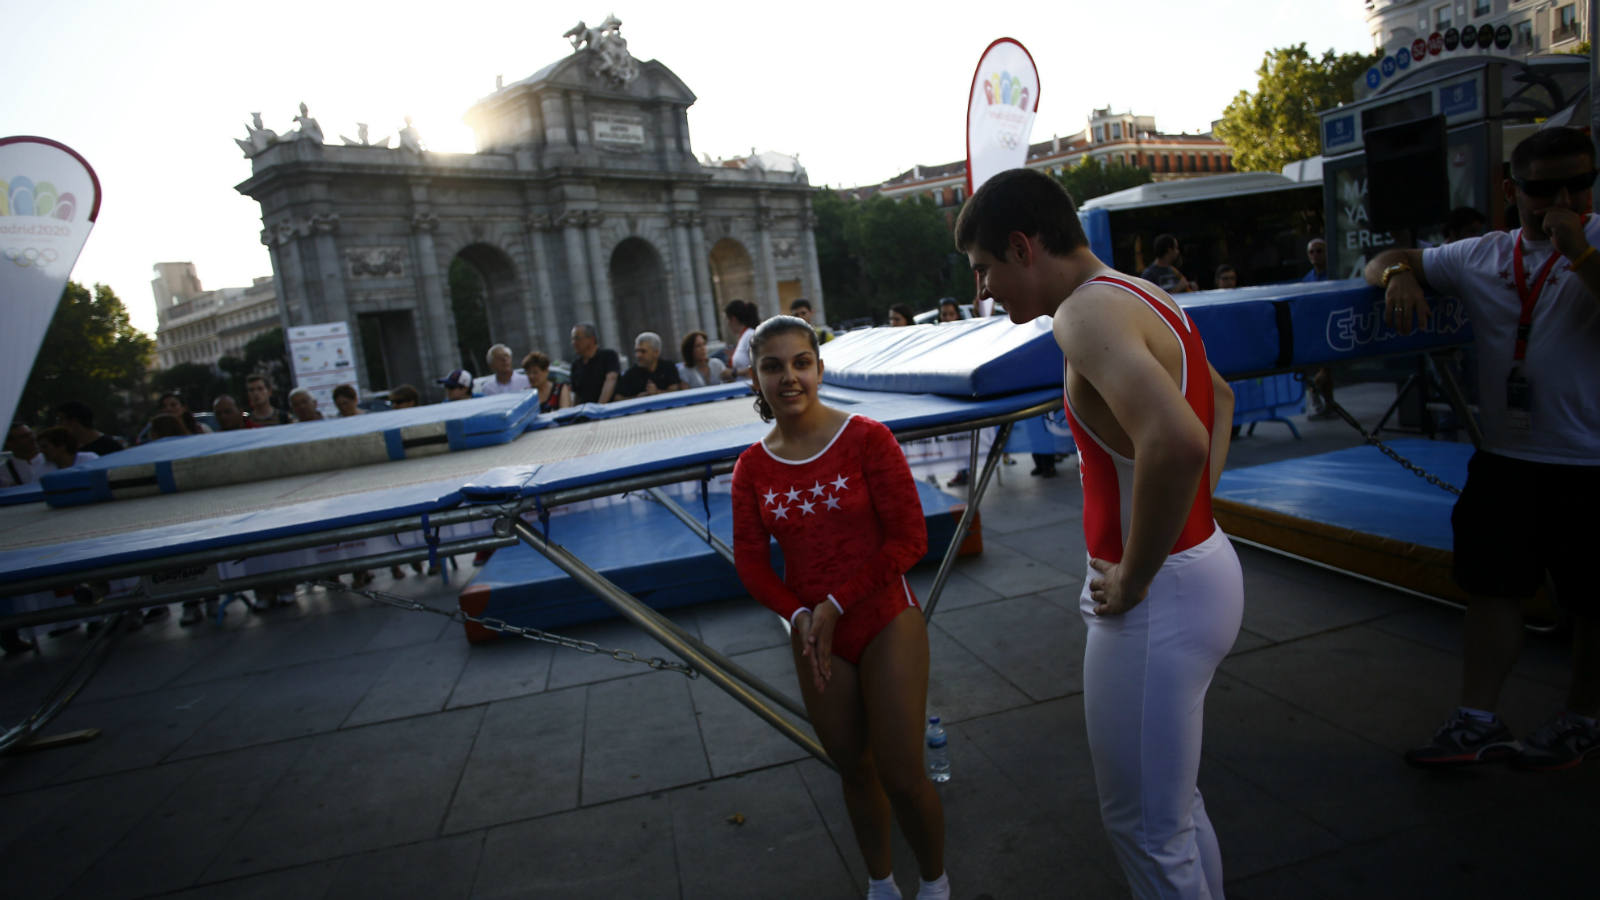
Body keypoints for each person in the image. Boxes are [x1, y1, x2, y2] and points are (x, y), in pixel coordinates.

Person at [956, 167, 1241, 899]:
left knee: (1146, 832)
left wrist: (1139, 571)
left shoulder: (1083, 315)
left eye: (985, 269)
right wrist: (1191, 519)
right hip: (1198, 569)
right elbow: (1223, 400)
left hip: (1160, 593)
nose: (985, 290)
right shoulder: (1143, 293)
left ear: (1024, 246)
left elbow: (1175, 443)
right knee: (1174, 813)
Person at [1366, 125, 1600, 772]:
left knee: (1591, 603)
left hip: (1591, 460)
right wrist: (1397, 277)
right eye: (1543, 187)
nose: (1565, 197)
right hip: (1507, 459)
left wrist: (1578, 251)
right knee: (1492, 590)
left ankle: (1583, 719)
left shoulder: (1597, 237)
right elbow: (1388, 255)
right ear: (1510, 189)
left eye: (1580, 182)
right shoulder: (1484, 255)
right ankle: (1477, 718)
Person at [731, 315, 950, 900]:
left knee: (903, 775)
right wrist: (800, 614)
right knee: (854, 769)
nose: (789, 377)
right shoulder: (751, 468)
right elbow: (751, 566)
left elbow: (910, 540)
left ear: (820, 369)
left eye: (800, 363)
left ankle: (935, 884)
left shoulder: (867, 439)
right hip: (815, 632)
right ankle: (881, 884)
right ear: (754, 377)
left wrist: (833, 602)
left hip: (882, 617)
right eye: (772, 366)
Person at [616, 331, 684, 399]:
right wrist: (637, 398)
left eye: (643, 351)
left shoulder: (669, 367)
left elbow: (675, 391)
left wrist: (657, 392)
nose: (638, 355)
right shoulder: (631, 374)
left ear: (656, 352)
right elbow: (618, 398)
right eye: (636, 351)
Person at [568, 322, 621, 404]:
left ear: (591, 339)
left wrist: (599, 408)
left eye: (577, 338)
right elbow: (577, 395)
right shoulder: (575, 365)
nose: (574, 343)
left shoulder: (608, 356)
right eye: (573, 339)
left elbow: (611, 379)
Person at [55, 401, 125, 456]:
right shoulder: (66, 449)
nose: (58, 425)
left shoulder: (111, 448)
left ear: (74, 421)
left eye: (60, 420)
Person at [35, 426, 99, 472]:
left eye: (45, 447)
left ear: (61, 446)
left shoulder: (89, 459)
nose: (41, 451)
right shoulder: (44, 470)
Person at [724, 299, 760, 380]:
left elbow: (759, 364)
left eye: (727, 319)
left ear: (733, 319)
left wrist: (734, 373)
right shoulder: (744, 336)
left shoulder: (750, 335)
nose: (728, 324)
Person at [2, 422, 43, 488]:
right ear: (9, 443)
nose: (32, 438)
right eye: (24, 437)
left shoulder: (53, 461)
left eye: (31, 434)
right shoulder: (3, 473)